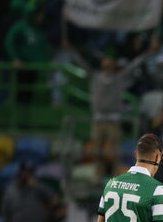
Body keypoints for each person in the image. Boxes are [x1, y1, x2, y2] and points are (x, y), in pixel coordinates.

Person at [66, 37, 155, 178]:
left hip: (113, 119)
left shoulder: (119, 77)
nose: (107, 63)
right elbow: (81, 63)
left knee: (114, 152)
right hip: (99, 119)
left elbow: (134, 65)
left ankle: (115, 177)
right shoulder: (95, 77)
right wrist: (70, 49)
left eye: (110, 61)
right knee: (96, 151)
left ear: (113, 64)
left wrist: (147, 53)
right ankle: (98, 178)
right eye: (105, 61)